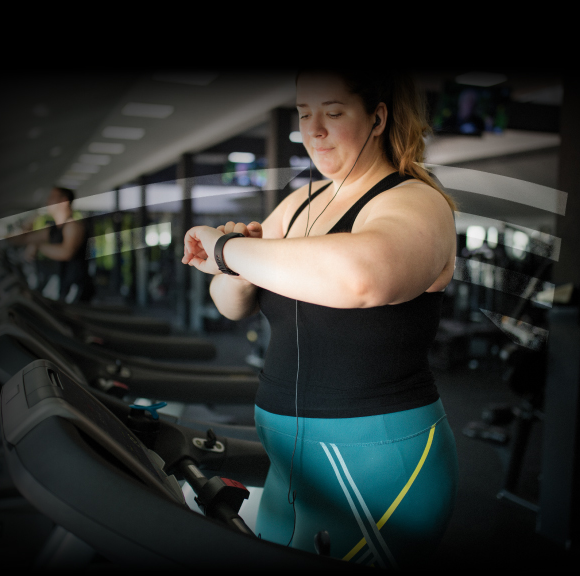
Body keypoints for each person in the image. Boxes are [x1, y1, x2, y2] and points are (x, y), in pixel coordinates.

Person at [180, 70, 460, 567]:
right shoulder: (300, 203)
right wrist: (236, 264)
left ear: (377, 117)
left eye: (332, 113)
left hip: (377, 467)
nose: (315, 131)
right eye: (305, 115)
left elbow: (361, 279)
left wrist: (227, 248)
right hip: (290, 464)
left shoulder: (417, 200)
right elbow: (229, 302)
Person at [16, 187, 90, 303]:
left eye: (52, 198)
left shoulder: (73, 226)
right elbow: (23, 239)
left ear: (64, 202)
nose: (47, 202)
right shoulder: (53, 230)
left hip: (75, 290)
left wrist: (38, 246)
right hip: (60, 288)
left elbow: (66, 252)